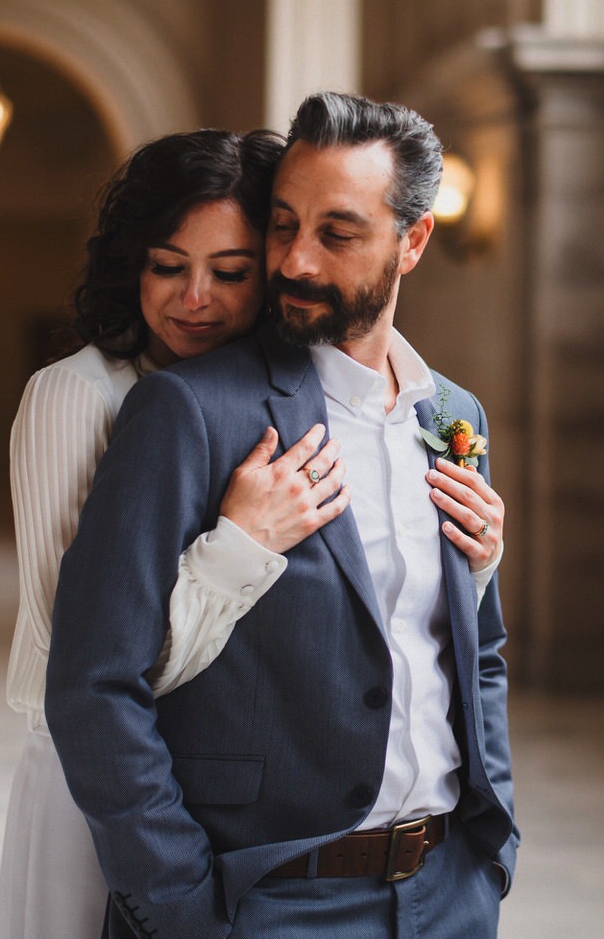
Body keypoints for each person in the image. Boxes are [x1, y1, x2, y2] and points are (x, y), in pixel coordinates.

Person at [46, 91, 517, 939]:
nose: (295, 261)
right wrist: (182, 907)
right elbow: (93, 682)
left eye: (336, 234)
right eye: (283, 225)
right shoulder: (190, 410)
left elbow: (475, 649)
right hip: (265, 904)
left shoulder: (454, 416)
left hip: (448, 894)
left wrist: (491, 847)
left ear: (412, 241)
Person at [0, 129, 356, 939]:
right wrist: (240, 544)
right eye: (168, 265)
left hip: (226, 786)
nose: (195, 297)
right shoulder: (75, 396)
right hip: (97, 780)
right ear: (133, 265)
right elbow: (85, 672)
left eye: (230, 273)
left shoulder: (277, 397)